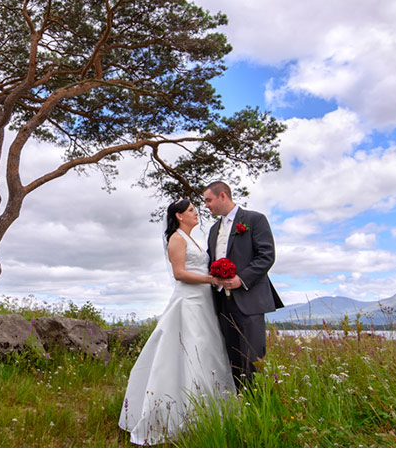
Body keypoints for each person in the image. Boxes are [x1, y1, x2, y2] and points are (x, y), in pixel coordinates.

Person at [118, 199, 236, 446]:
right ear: (180, 216)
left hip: (204, 303)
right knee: (187, 350)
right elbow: (179, 274)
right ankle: (173, 416)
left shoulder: (192, 239)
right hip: (188, 302)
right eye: (192, 210)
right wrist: (211, 279)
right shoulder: (176, 238)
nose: (197, 213)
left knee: (206, 352)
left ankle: (208, 411)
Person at [204, 180, 284, 389]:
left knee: (252, 359)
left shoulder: (254, 220)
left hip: (250, 301)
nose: (206, 206)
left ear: (223, 196)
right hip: (222, 303)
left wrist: (241, 279)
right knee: (231, 358)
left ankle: (256, 405)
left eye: (209, 200)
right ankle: (237, 404)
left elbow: (266, 256)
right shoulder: (213, 230)